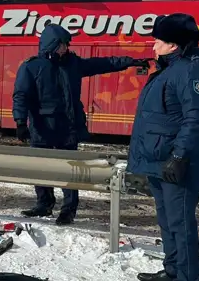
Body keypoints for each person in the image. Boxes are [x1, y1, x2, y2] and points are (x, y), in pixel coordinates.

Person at [13, 23, 150, 224]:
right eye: (62, 45)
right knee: (41, 168)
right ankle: (44, 204)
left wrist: (129, 61)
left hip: (68, 127)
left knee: (71, 170)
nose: (66, 49)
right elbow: (21, 95)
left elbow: (102, 63)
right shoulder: (32, 67)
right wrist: (19, 121)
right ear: (51, 45)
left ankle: (68, 210)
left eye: (66, 45)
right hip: (42, 127)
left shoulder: (72, 64)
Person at [129, 13, 199, 281]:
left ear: (174, 45)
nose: (153, 46)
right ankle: (172, 271)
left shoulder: (193, 71)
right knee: (167, 221)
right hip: (160, 160)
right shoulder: (172, 68)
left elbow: (197, 119)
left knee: (181, 223)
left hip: (179, 162)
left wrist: (180, 156)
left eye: (158, 40)